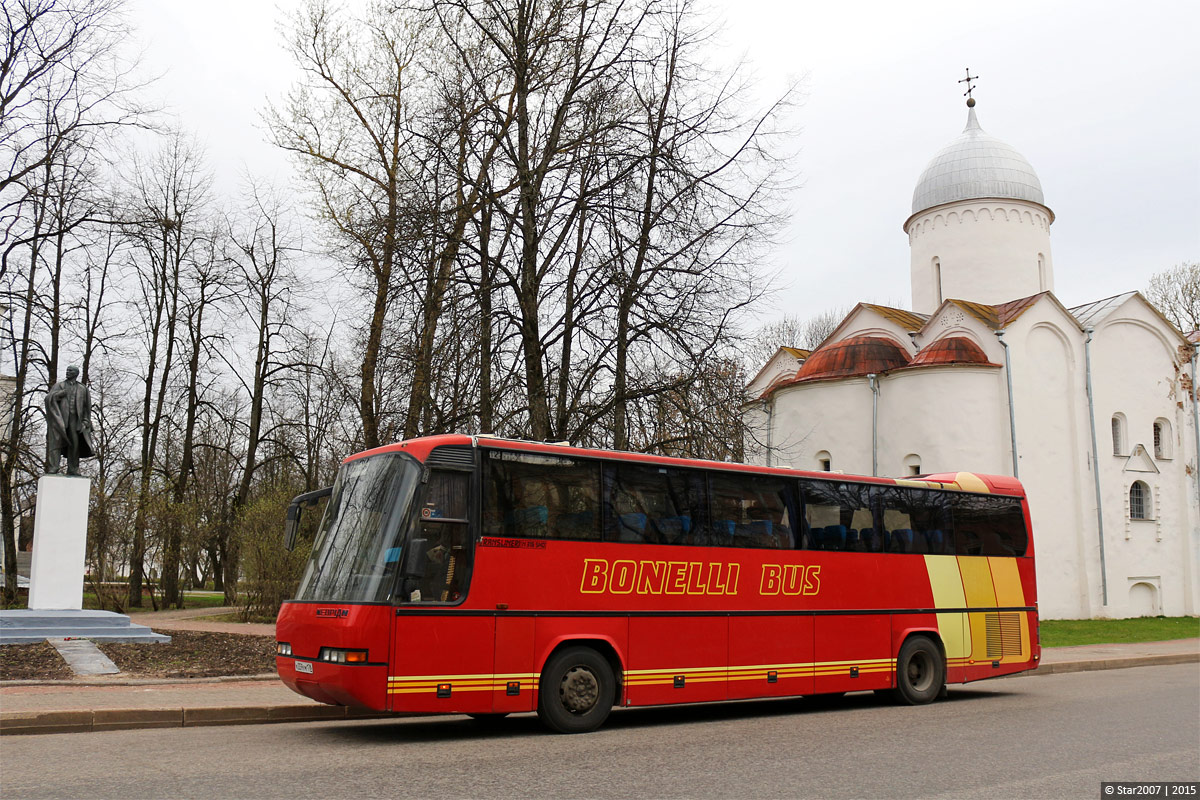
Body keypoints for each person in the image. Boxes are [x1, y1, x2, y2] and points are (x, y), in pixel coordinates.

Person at [45, 365, 94, 476]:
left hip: (75, 421)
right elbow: (48, 398)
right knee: (55, 443)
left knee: (74, 445)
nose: (67, 372)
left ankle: (73, 469)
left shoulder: (82, 389)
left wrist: (86, 422)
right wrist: (58, 395)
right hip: (60, 419)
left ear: (76, 373)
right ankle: (53, 467)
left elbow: (87, 407)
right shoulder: (59, 386)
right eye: (67, 370)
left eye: (70, 371)